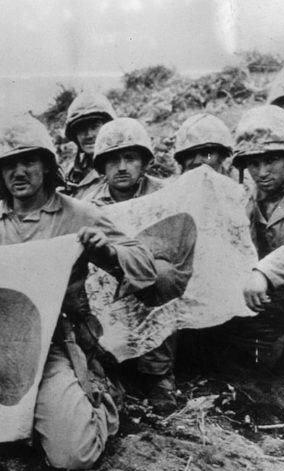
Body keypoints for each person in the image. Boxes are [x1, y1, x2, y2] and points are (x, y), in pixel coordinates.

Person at [0, 116, 157, 471]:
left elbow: (145, 268)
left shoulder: (79, 214)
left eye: (28, 160)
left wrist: (106, 251)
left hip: (56, 345)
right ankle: (11, 430)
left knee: (75, 457)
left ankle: (101, 401)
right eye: (8, 165)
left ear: (46, 164)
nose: (19, 171)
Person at [220, 105, 284, 422]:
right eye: (253, 162)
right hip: (278, 310)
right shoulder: (247, 197)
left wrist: (263, 271)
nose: (262, 171)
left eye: (271, 160)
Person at [79, 118, 185, 411]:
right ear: (101, 167)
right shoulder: (89, 205)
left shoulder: (165, 194)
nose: (122, 167)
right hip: (107, 278)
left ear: (144, 162)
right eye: (112, 160)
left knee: (162, 277)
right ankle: (111, 370)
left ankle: (157, 374)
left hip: (156, 274)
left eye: (130, 158)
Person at [62, 91, 117, 193]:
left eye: (95, 127)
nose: (89, 135)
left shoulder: (125, 165)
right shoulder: (73, 175)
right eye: (81, 128)